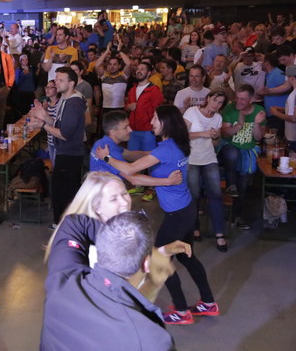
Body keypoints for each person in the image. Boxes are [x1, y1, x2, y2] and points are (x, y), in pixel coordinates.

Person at [97, 105, 220, 325]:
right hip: (186, 209)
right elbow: (145, 161)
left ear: (166, 123)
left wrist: (106, 158)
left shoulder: (166, 149)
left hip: (177, 215)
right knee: (187, 256)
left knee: (159, 260)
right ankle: (209, 303)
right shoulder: (176, 144)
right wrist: (126, 156)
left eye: (155, 118)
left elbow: (132, 172)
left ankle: (181, 311)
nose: (151, 122)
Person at [42, 208, 179, 350]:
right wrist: (153, 282)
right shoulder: (151, 341)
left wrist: (115, 238)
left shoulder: (63, 279)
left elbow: (74, 223)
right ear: (146, 264)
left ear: (102, 245)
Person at [30, 67, 86, 228]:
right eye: (56, 79)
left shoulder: (73, 103)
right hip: (64, 152)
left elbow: (64, 134)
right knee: (61, 190)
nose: (56, 83)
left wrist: (42, 125)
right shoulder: (65, 99)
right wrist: (45, 116)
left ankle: (62, 225)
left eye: (61, 80)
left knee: (64, 192)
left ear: (71, 83)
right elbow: (57, 123)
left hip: (69, 154)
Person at [183, 90, 228, 252]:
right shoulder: (192, 112)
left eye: (220, 102)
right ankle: (194, 227)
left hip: (209, 157)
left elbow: (215, 144)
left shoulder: (218, 118)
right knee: (194, 195)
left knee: (216, 194)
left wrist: (215, 136)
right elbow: (182, 135)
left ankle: (219, 233)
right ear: (208, 98)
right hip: (191, 158)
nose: (216, 104)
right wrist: (203, 133)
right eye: (215, 100)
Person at [219, 84, 266, 229]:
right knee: (232, 154)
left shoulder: (259, 111)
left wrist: (256, 124)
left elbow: (258, 137)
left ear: (251, 100)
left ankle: (237, 216)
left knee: (243, 184)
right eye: (237, 98)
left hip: (247, 150)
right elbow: (224, 133)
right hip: (228, 148)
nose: (238, 102)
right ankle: (231, 184)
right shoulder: (229, 108)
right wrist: (239, 125)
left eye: (242, 99)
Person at [271, 65, 296, 151]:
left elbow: (294, 118)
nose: (286, 79)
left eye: (287, 77)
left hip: (293, 137)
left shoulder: (295, 94)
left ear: (292, 78)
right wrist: (282, 109)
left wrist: (276, 113)